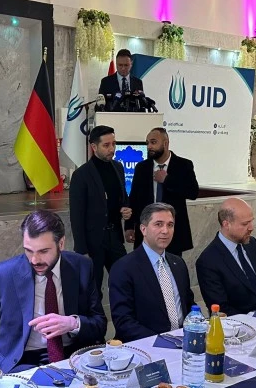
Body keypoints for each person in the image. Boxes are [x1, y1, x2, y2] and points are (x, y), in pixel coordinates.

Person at [0, 210, 106, 379]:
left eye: (43, 251)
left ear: (61, 244)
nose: (34, 260)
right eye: (29, 251)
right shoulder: (2, 275)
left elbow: (99, 324)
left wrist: (73, 323)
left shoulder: (82, 267)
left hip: (72, 357)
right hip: (20, 361)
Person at [109, 203, 194, 342]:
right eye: (158, 224)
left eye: (170, 225)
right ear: (143, 229)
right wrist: (162, 341)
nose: (165, 231)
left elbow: (189, 305)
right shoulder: (123, 268)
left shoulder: (178, 263)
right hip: (147, 345)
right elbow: (123, 321)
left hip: (183, 341)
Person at [68, 125, 131, 299]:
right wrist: (81, 250)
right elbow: (76, 215)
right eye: (106, 145)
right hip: (93, 241)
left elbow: (122, 198)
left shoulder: (118, 167)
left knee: (125, 281)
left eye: (114, 144)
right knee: (93, 290)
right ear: (94, 147)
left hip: (115, 236)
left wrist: (125, 210)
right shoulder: (81, 175)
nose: (112, 149)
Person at [125, 128, 199, 257]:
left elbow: (193, 193)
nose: (149, 146)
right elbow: (134, 198)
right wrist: (129, 226)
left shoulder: (183, 165)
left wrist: (167, 180)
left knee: (171, 267)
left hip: (172, 232)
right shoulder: (142, 167)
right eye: (147, 143)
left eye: (153, 142)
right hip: (147, 231)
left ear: (165, 143)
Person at [196, 198, 256, 315]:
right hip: (239, 322)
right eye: (245, 224)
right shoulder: (208, 261)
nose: (251, 228)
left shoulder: (252, 244)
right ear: (226, 224)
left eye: (251, 221)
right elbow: (220, 308)